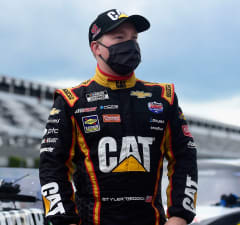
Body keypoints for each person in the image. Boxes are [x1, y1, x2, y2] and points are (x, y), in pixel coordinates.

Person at [39, 9, 198, 225]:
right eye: (119, 37)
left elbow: (184, 158)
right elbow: (52, 167)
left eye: (134, 38)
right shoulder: (71, 101)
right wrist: (63, 220)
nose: (130, 45)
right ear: (96, 48)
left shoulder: (164, 97)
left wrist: (179, 216)